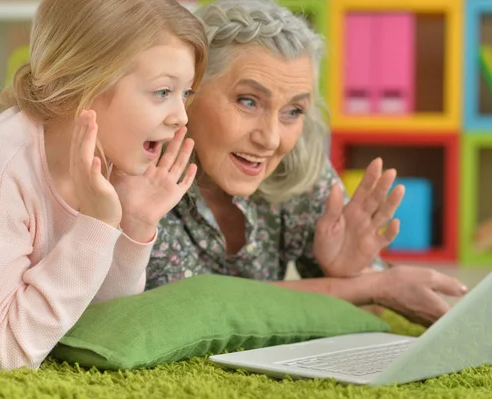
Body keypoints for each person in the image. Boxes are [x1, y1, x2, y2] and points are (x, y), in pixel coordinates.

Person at [147, 0, 467, 327]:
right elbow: (187, 308)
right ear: (189, 91)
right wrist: (374, 285)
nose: (271, 139)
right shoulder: (140, 168)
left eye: (293, 112)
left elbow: (365, 314)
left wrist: (347, 274)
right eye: (248, 101)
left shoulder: (298, 163)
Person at [0, 0, 207, 370]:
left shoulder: (113, 158)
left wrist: (133, 223)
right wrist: (97, 225)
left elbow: (92, 324)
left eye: (186, 94)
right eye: (163, 92)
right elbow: (9, 352)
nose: (180, 117)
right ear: (83, 80)